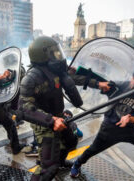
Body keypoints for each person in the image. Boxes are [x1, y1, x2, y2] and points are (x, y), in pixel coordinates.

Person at [18, 36, 110, 181]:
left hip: (59, 116)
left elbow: (74, 79)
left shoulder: (56, 70)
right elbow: (23, 108)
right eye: (54, 52)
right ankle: (54, 164)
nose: (58, 55)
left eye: (58, 51)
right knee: (48, 168)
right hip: (44, 123)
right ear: (43, 55)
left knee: (71, 142)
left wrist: (98, 84)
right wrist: (51, 120)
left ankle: (60, 162)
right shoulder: (31, 78)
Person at [70, 65, 134, 181]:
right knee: (92, 149)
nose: (133, 81)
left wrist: (130, 118)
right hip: (109, 128)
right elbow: (95, 82)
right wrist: (83, 74)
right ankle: (77, 164)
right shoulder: (119, 86)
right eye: (133, 77)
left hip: (129, 130)